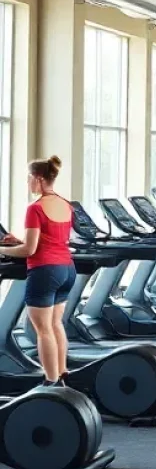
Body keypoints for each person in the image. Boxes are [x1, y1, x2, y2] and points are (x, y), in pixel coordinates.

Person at [0, 157, 75, 386]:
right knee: (55, 324)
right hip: (66, 269)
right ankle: (61, 374)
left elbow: (29, 250)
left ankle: (50, 383)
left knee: (42, 330)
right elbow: (50, 240)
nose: (28, 183)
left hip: (44, 271)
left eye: (30, 178)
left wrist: (2, 248)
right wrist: (17, 241)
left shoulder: (35, 208)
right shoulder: (65, 204)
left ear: (39, 179)